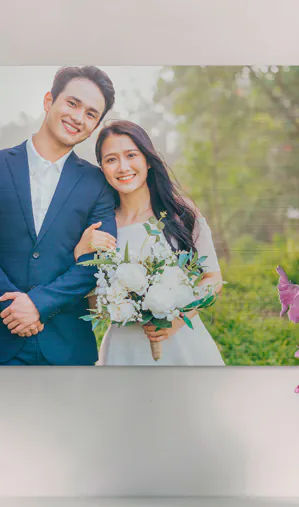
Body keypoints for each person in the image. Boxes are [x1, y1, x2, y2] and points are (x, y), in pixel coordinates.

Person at [0, 66, 117, 366]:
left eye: (92, 114)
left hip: (69, 347)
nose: (79, 117)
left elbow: (98, 261)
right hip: (1, 337)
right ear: (48, 101)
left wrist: (39, 304)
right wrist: (17, 306)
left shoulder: (99, 184)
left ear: (95, 125)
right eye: (73, 103)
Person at [74, 120, 226, 366]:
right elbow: (91, 302)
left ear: (147, 159)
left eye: (131, 155)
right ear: (102, 168)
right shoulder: (99, 228)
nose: (123, 167)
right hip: (123, 351)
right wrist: (81, 254)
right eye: (111, 159)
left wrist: (179, 318)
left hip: (182, 343)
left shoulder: (182, 215)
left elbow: (213, 278)